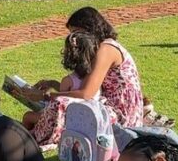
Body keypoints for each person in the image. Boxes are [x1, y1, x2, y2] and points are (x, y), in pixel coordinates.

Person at [27, 7, 144, 145]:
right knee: (60, 104)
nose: (74, 40)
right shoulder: (101, 47)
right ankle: (38, 130)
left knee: (60, 103)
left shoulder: (106, 50)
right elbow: (84, 89)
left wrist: (44, 96)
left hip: (121, 115)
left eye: (76, 33)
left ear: (89, 29)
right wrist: (52, 84)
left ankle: (38, 134)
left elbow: (85, 94)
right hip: (108, 105)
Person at [22, 30, 99, 130]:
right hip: (89, 116)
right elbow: (71, 93)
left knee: (28, 116)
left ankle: (32, 138)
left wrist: (41, 96)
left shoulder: (68, 80)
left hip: (66, 120)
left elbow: (60, 102)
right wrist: (53, 84)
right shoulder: (95, 75)